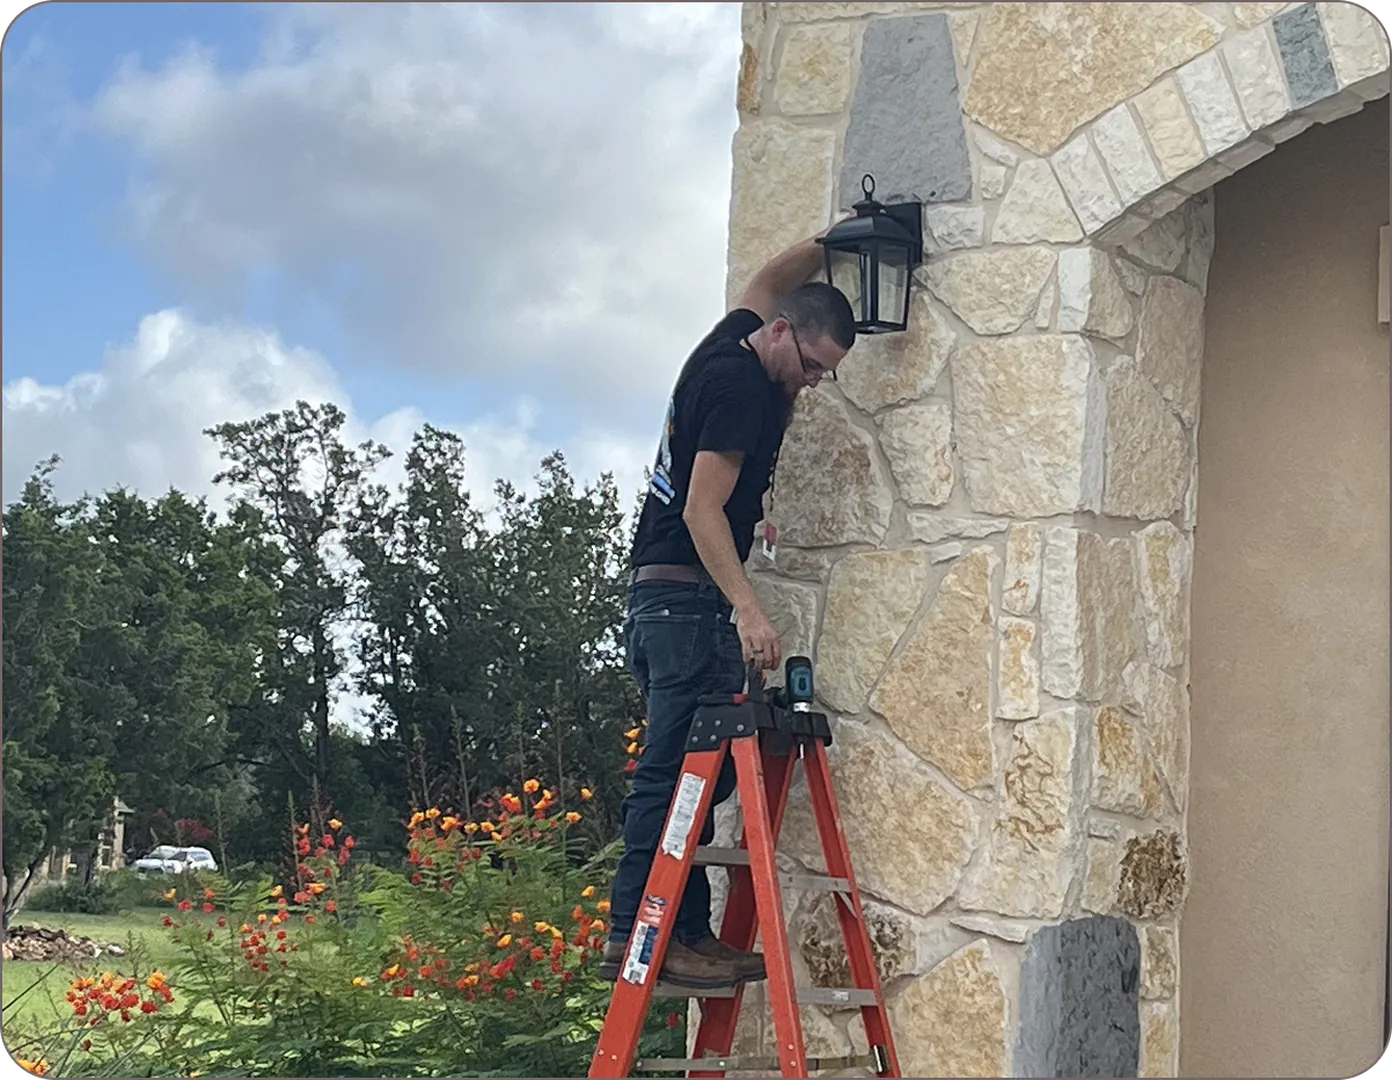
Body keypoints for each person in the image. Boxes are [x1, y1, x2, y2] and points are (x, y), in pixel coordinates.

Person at [599, 229, 857, 990]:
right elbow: (701, 511)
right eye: (810, 365)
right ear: (782, 332)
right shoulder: (743, 392)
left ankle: (683, 928)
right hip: (688, 605)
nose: (810, 383)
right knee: (670, 775)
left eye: (825, 374)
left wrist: (843, 236)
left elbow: (768, 274)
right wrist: (747, 609)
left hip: (663, 601)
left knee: (697, 778)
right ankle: (635, 932)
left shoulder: (736, 339)